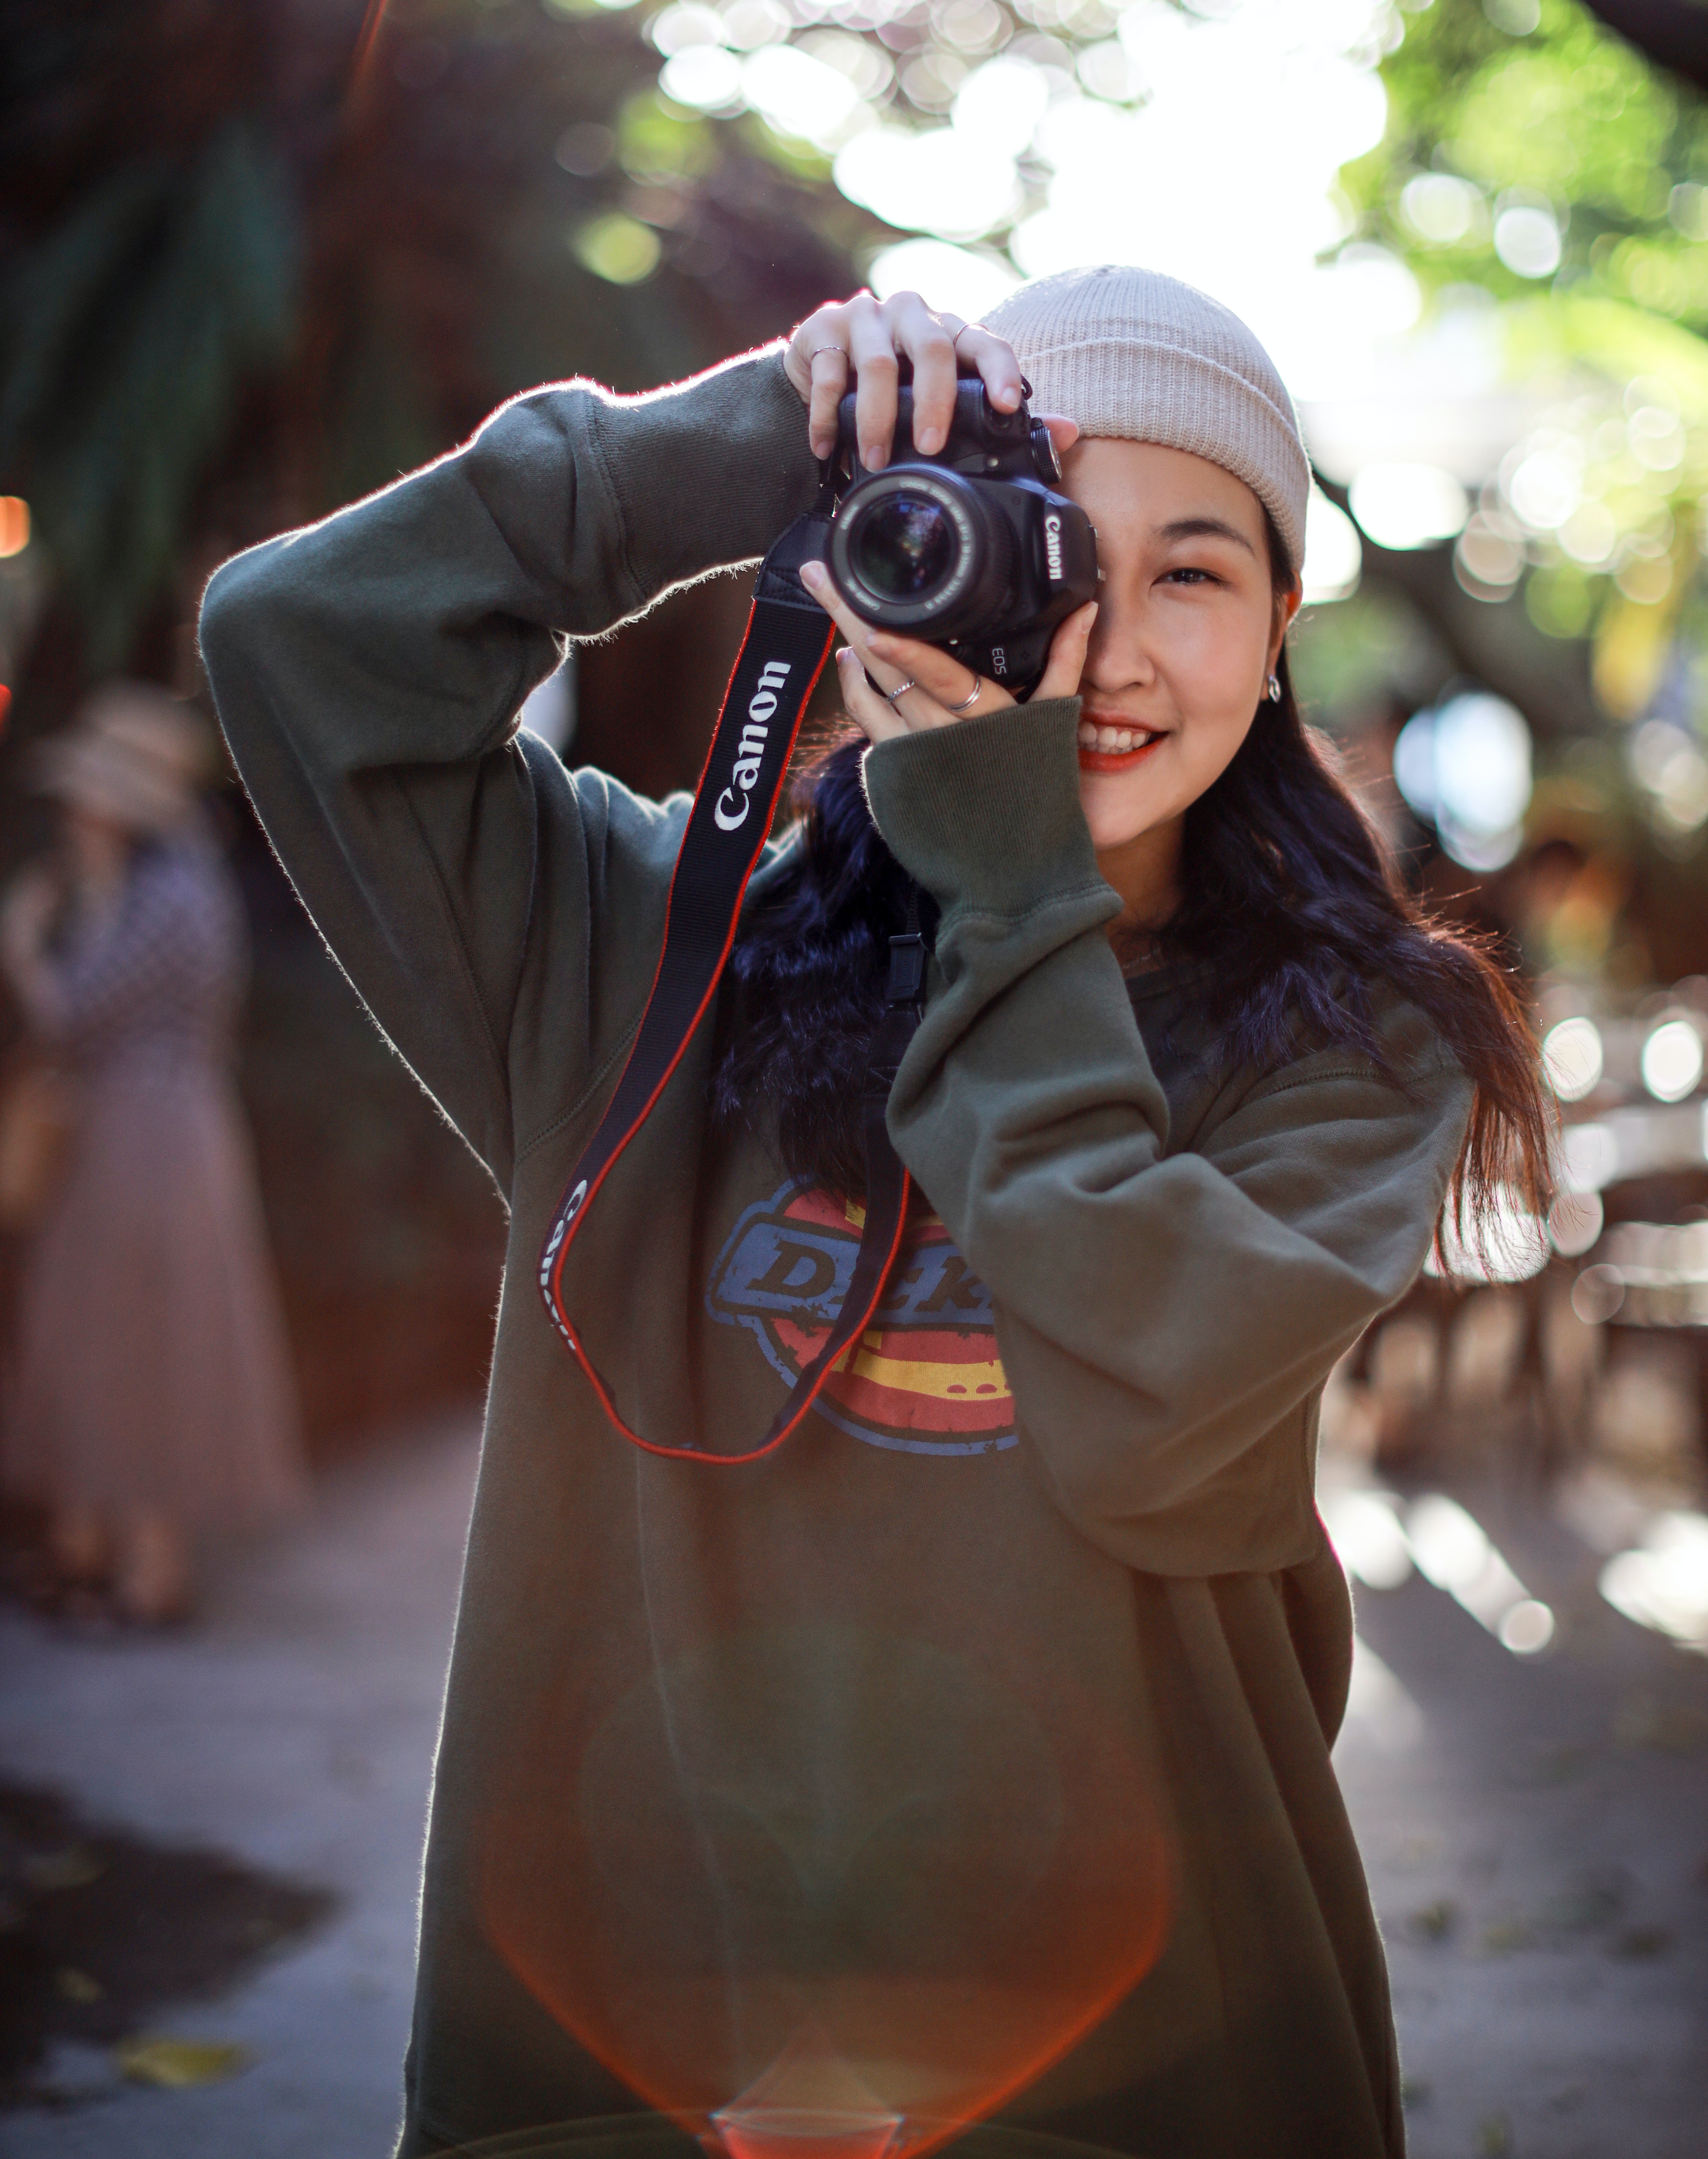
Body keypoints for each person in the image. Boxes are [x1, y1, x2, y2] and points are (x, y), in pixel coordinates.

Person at [198, 268, 1549, 2159]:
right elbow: (294, 646)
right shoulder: (652, 958)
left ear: (1279, 630)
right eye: (1053, 544)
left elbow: (1155, 1414)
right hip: (631, 2076)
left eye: (1194, 573)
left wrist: (1000, 858)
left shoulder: (1359, 1045)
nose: (1116, 645)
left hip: (1157, 2072)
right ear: (891, 559)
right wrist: (744, 442)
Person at [0, 681, 306, 1623]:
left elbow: (73, 1013)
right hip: (135, 1134)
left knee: (148, 1344)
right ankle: (95, 1555)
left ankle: (148, 1572)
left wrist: (21, 946)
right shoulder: (163, 884)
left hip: (153, 1138)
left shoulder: (172, 892)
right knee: (101, 1338)